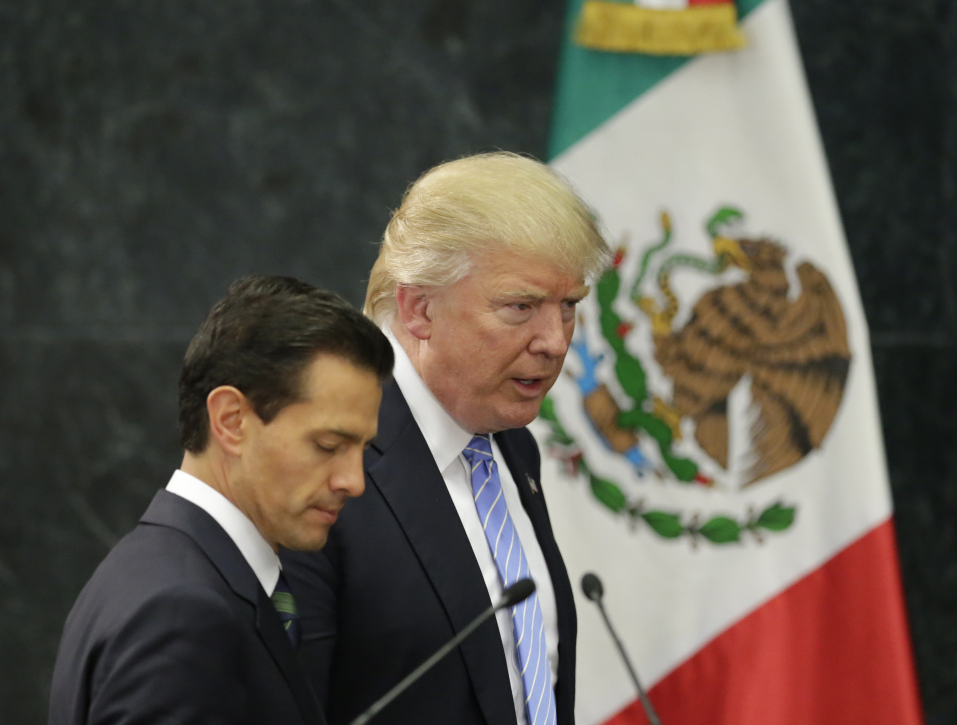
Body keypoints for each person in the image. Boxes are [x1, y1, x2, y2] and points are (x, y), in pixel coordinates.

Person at [281, 152, 611, 725]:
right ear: (419, 309)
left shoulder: (510, 443)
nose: (556, 342)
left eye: (569, 307)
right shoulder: (325, 466)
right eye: (521, 307)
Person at [48, 275, 394, 725]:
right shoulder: (181, 613)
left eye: (363, 450)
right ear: (231, 421)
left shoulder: (159, 569)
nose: (354, 481)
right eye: (328, 446)